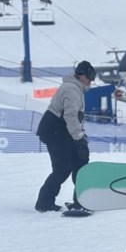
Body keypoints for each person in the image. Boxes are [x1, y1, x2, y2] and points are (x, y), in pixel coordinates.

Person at [34, 60, 95, 212]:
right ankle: (44, 203)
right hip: (54, 130)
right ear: (81, 75)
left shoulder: (76, 88)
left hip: (63, 131)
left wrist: (80, 138)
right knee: (63, 167)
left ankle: (81, 200)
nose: (91, 80)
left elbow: (74, 118)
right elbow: (70, 116)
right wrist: (79, 140)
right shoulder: (71, 89)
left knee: (79, 162)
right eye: (90, 76)